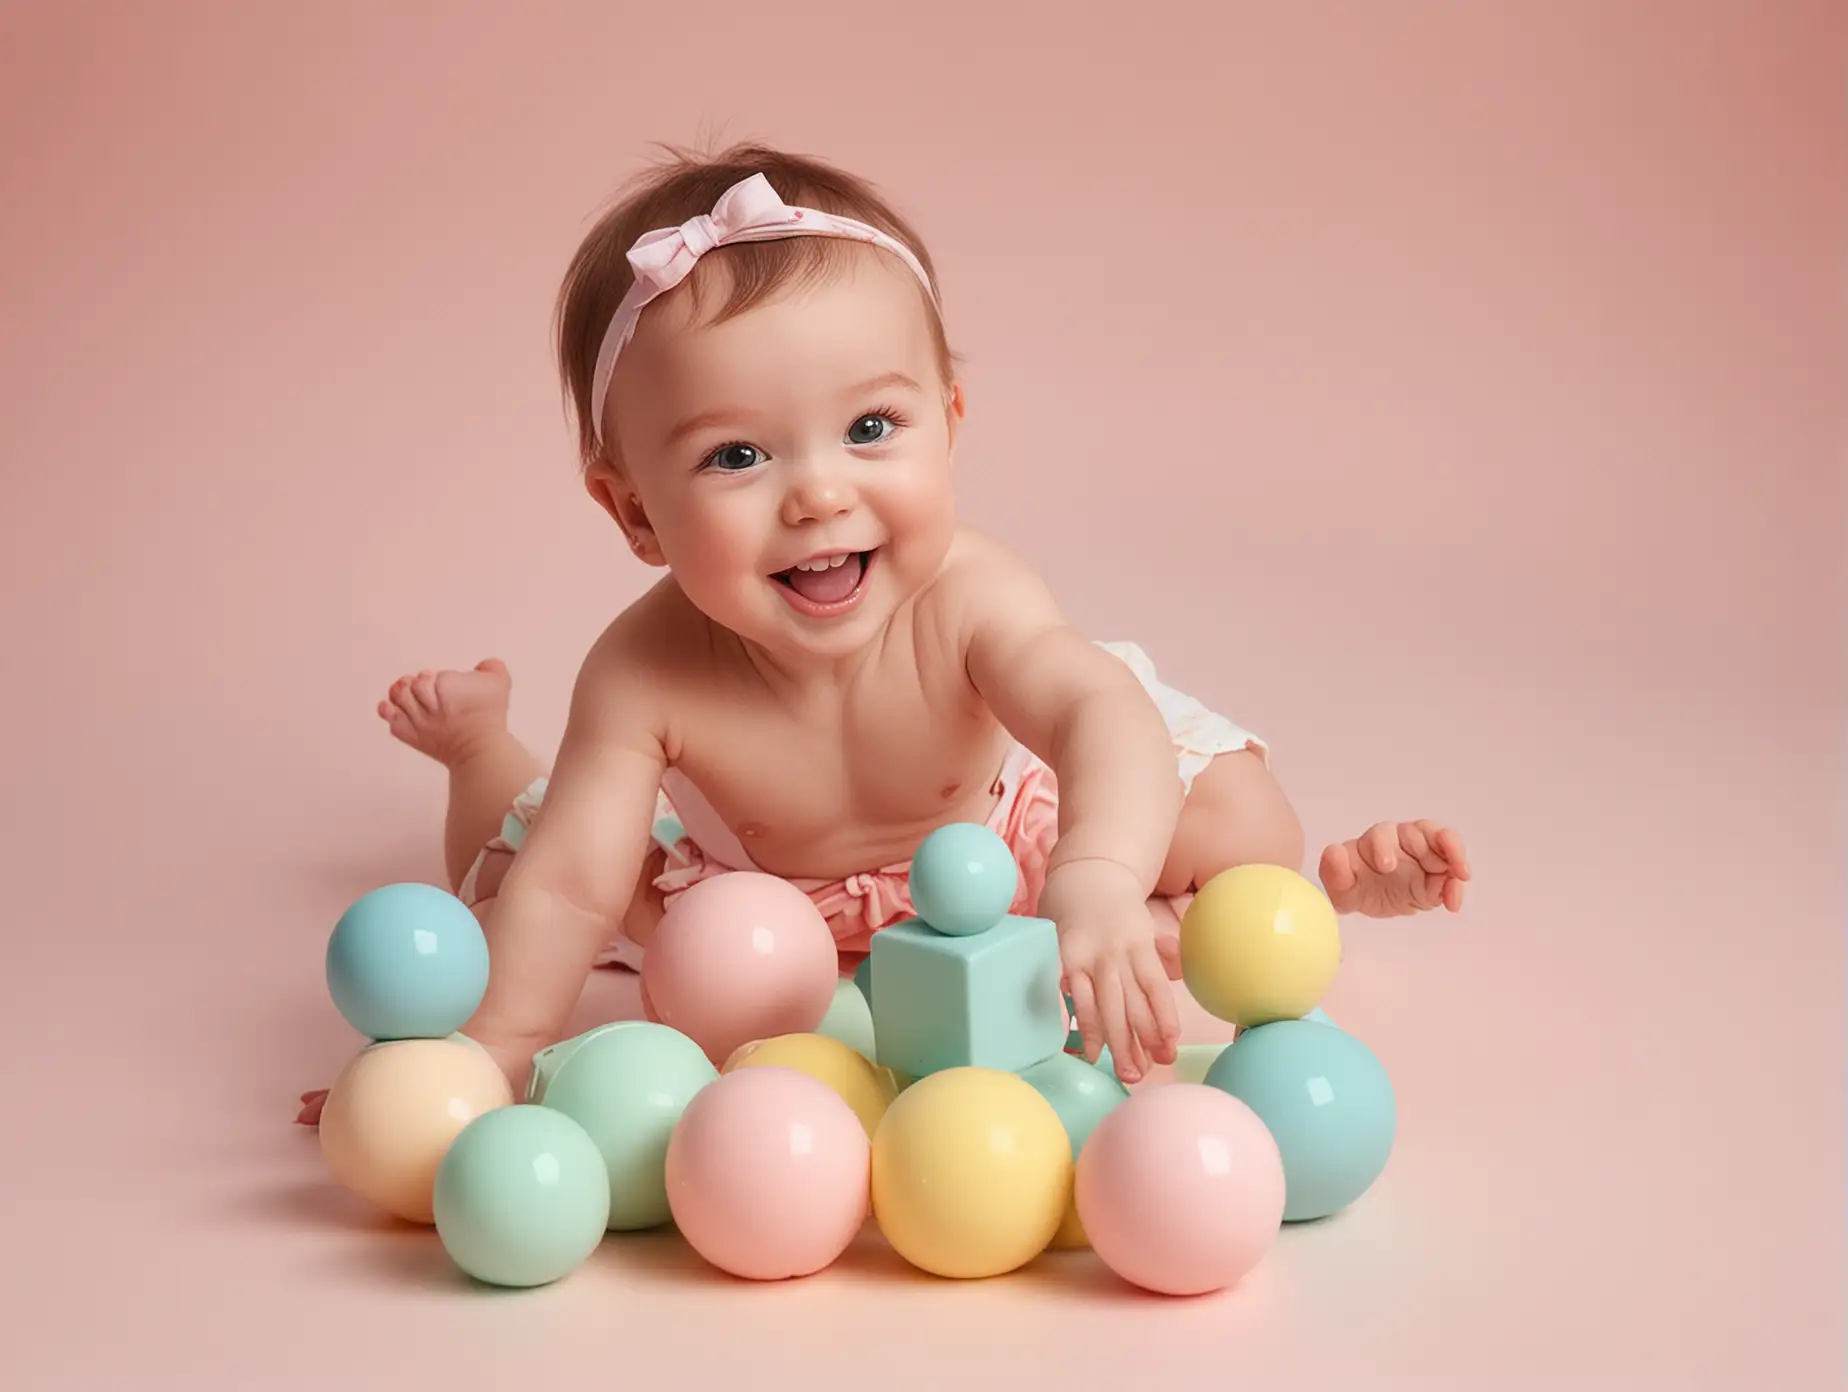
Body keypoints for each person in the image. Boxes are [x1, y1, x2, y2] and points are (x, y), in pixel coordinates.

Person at [299, 143, 1469, 1123]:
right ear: (635, 511)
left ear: (948, 424)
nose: (818, 496)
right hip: (755, 892)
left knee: (1227, 813)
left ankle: (1292, 911)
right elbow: (568, 895)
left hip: (995, 847)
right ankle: (475, 747)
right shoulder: (644, 669)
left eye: (869, 426)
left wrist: (1101, 881)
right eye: (738, 456)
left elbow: (1091, 712)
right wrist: (490, 1063)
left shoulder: (971, 593)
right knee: (517, 874)